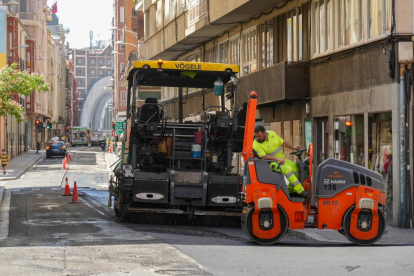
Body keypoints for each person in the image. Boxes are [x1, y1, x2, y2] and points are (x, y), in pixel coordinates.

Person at [253, 125, 309, 198]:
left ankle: (291, 190)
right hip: (270, 164)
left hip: (282, 160)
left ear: (264, 133)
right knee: (287, 169)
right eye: (256, 136)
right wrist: (277, 159)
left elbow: (282, 143)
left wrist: (293, 147)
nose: (258, 138)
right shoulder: (255, 144)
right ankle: (300, 191)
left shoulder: (272, 134)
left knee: (296, 166)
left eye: (259, 136)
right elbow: (263, 156)